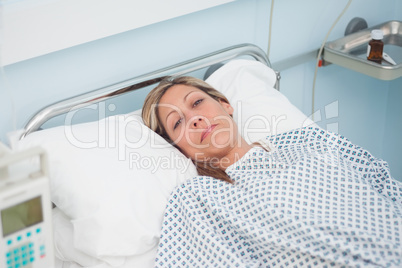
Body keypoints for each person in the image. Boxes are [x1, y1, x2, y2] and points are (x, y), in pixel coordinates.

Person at [142, 76, 402, 267]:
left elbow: (384, 184)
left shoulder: (308, 140)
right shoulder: (198, 198)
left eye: (197, 102)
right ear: (177, 148)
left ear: (225, 104)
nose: (195, 119)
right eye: (178, 122)